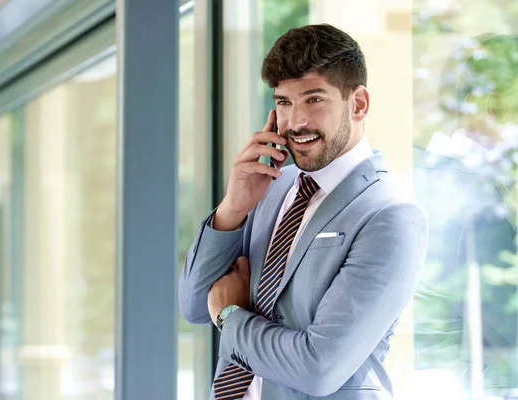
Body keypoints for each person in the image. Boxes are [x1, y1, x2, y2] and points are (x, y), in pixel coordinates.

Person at [179, 23, 428, 400]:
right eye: (284, 102)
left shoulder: (390, 214)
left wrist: (230, 316)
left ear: (357, 104)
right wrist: (233, 208)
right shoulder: (270, 187)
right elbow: (197, 306)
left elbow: (318, 369)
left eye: (314, 99)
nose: (295, 122)